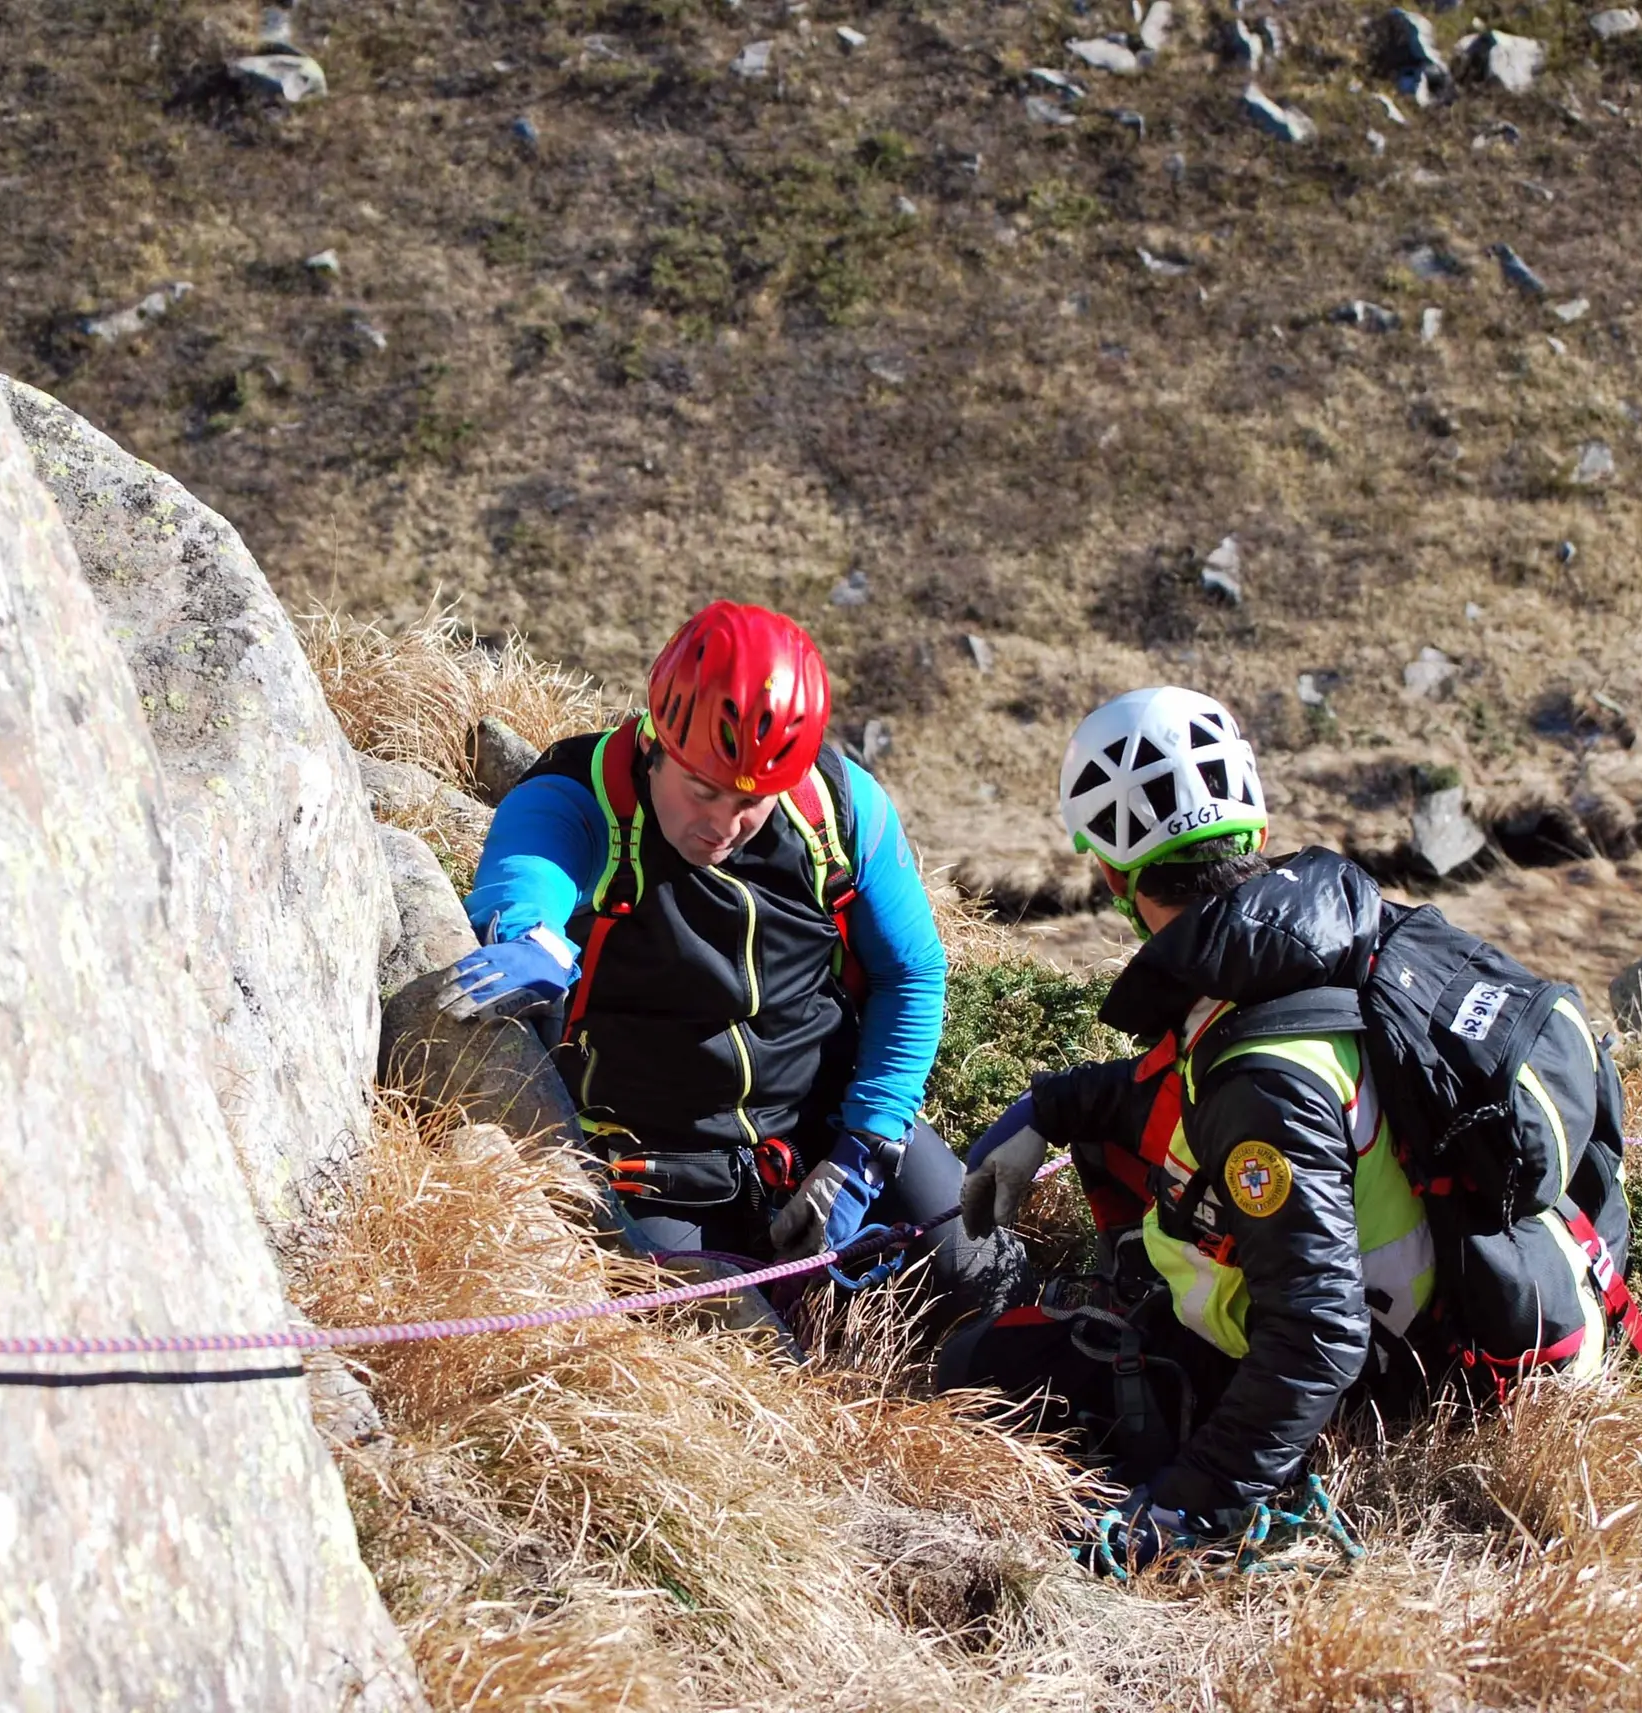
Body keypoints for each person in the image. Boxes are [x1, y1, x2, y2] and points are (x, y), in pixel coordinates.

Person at [944, 686, 1440, 1567]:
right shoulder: (1298, 941)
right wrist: (1051, 1108)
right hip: (1395, 1305)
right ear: (1252, 833)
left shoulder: (1261, 1084)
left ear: (1112, 876)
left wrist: (1179, 1508)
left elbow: (1319, 1337)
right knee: (1115, 1144)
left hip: (1355, 1384)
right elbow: (1170, 1092)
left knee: (973, 1365)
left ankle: (1167, 1382)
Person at [441, 599, 1021, 1320]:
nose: (722, 823)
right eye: (702, 788)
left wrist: (862, 1149)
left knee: (984, 1275)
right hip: (657, 1157)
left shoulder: (837, 811)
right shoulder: (586, 794)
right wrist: (530, 935)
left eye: (753, 800)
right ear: (655, 742)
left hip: (824, 1112)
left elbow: (913, 971)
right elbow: (528, 868)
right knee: (721, 1347)